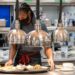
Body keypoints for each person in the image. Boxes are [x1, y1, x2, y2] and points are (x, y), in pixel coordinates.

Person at [5, 3, 54, 70]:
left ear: (29, 13)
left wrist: (50, 58)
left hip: (35, 59)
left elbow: (47, 47)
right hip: (20, 58)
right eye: (18, 15)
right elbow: (13, 46)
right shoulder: (15, 24)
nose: (20, 17)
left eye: (22, 15)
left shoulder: (40, 25)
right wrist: (10, 59)